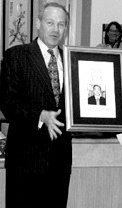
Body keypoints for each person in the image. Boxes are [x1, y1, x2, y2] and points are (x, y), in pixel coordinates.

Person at [0, 3, 72, 208]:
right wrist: (41, 115)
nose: (55, 29)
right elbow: (8, 102)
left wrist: (119, 92)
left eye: (61, 24)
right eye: (50, 23)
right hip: (25, 160)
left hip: (60, 160)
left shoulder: (72, 60)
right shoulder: (16, 56)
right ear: (38, 24)